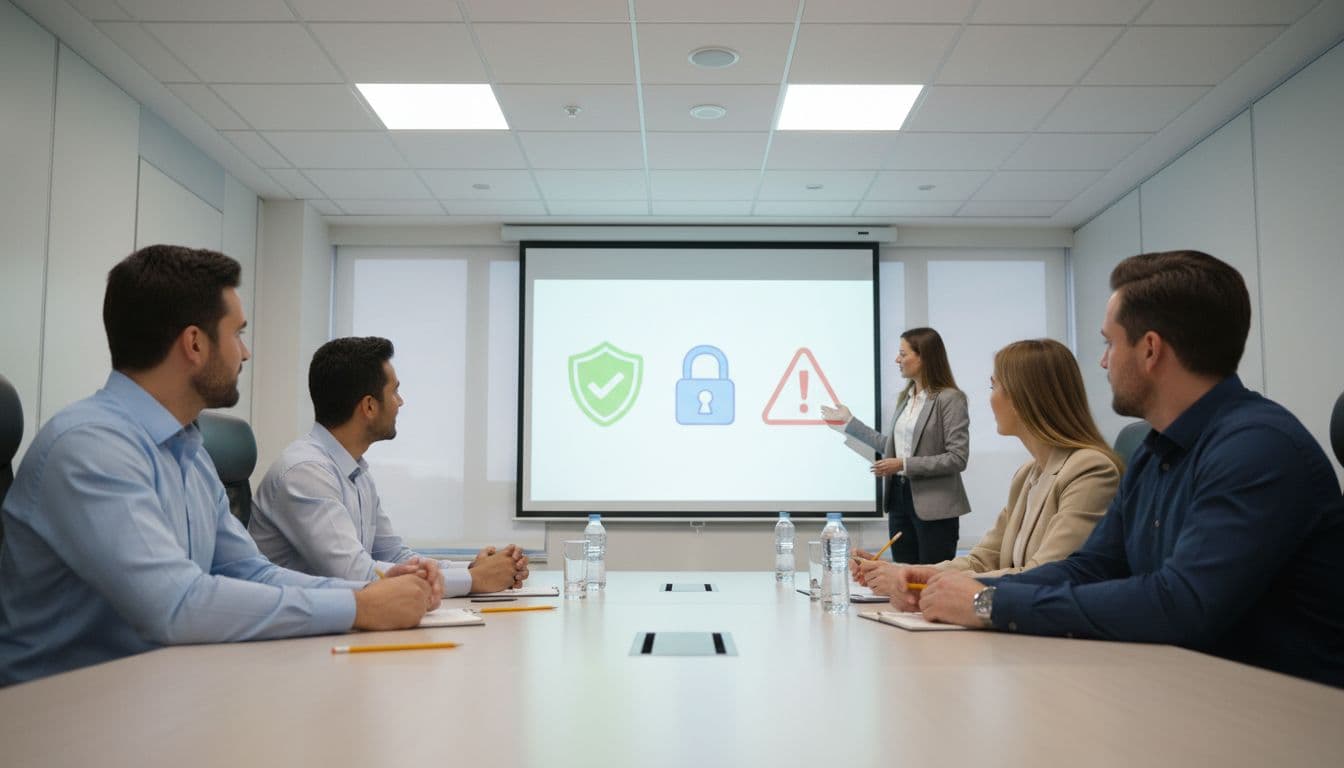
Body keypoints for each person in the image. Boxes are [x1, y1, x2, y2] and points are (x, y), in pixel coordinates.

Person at [887, 250, 1344, 688]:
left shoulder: (1256, 449)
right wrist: (956, 583)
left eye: (1109, 343)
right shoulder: (1154, 451)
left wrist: (986, 602)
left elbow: (1179, 604)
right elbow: (1091, 568)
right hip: (1194, 690)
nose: (1103, 361)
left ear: (1150, 350)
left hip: (1284, 712)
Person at [0, 246, 436, 686]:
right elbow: (175, 605)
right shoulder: (90, 447)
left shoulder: (188, 450)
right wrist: (359, 607)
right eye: (237, 334)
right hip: (57, 712)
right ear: (195, 344)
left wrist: (370, 592)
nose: (244, 353)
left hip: (153, 688)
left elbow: (251, 571)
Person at [249, 336, 528, 594]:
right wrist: (474, 581)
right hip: (294, 640)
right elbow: (356, 574)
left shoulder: (354, 471)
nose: (400, 402)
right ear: (369, 406)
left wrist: (473, 570)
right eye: (394, 392)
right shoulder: (305, 472)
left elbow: (394, 556)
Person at [855, 339, 1120, 593]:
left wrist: (923, 581)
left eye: (994, 387)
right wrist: (902, 572)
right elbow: (982, 560)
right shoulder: (1028, 474)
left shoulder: (1090, 471)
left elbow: (1047, 575)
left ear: (1023, 397)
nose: (990, 398)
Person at [820, 327, 970, 564]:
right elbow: (890, 446)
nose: (897, 359)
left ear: (924, 357)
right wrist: (849, 422)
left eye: (903, 353)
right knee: (901, 575)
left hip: (934, 505)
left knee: (930, 579)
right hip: (899, 497)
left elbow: (957, 458)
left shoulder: (949, 399)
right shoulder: (906, 398)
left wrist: (903, 464)